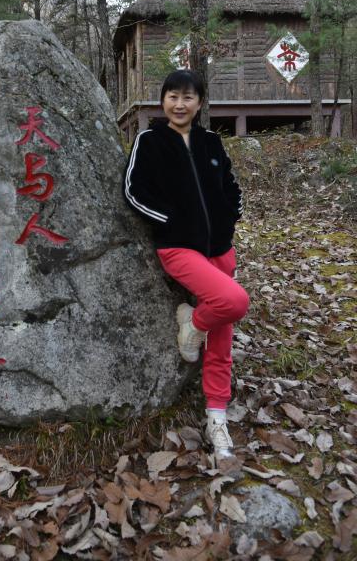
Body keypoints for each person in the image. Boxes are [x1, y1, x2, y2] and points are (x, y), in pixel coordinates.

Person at [123, 69, 249, 464]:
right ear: (163, 100)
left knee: (222, 339)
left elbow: (231, 187)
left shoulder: (211, 142)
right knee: (234, 302)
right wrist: (171, 221)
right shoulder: (149, 141)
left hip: (220, 249)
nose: (180, 104)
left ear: (199, 103)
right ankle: (193, 323)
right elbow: (133, 191)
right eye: (173, 96)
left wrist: (230, 218)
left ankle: (217, 416)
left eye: (188, 97)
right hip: (179, 248)